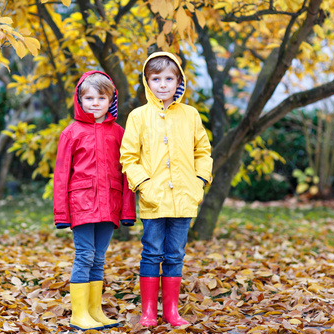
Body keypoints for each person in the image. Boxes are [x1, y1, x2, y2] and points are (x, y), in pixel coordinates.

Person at [120, 52, 213, 327]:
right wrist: (143, 185)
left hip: (185, 198)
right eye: (156, 79)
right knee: (151, 252)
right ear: (147, 82)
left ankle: (171, 311)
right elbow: (128, 156)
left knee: (175, 254)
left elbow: (203, 151)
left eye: (169, 78)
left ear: (179, 81)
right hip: (153, 199)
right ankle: (148, 311)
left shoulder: (190, 115)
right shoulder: (138, 116)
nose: (163, 84)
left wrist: (199, 181)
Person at [53, 71, 137, 331]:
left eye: (101, 97)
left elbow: (127, 172)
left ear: (111, 99)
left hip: (109, 203)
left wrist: (127, 210)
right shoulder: (71, 132)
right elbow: (61, 175)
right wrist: (61, 215)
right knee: (85, 255)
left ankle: (94, 310)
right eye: (89, 97)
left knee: (99, 258)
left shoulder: (119, 132)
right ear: (79, 99)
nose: (95, 102)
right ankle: (79, 314)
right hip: (81, 204)